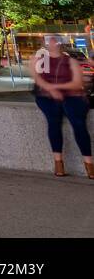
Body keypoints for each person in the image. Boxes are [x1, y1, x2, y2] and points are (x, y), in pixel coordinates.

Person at [30, 36, 93, 178]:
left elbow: (77, 83)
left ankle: (89, 163)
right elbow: (37, 79)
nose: (52, 43)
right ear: (44, 44)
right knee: (54, 122)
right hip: (47, 96)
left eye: (55, 40)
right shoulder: (39, 60)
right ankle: (58, 162)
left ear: (61, 43)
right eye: (49, 40)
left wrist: (56, 87)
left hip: (71, 95)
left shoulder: (70, 61)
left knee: (78, 124)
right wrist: (51, 89)